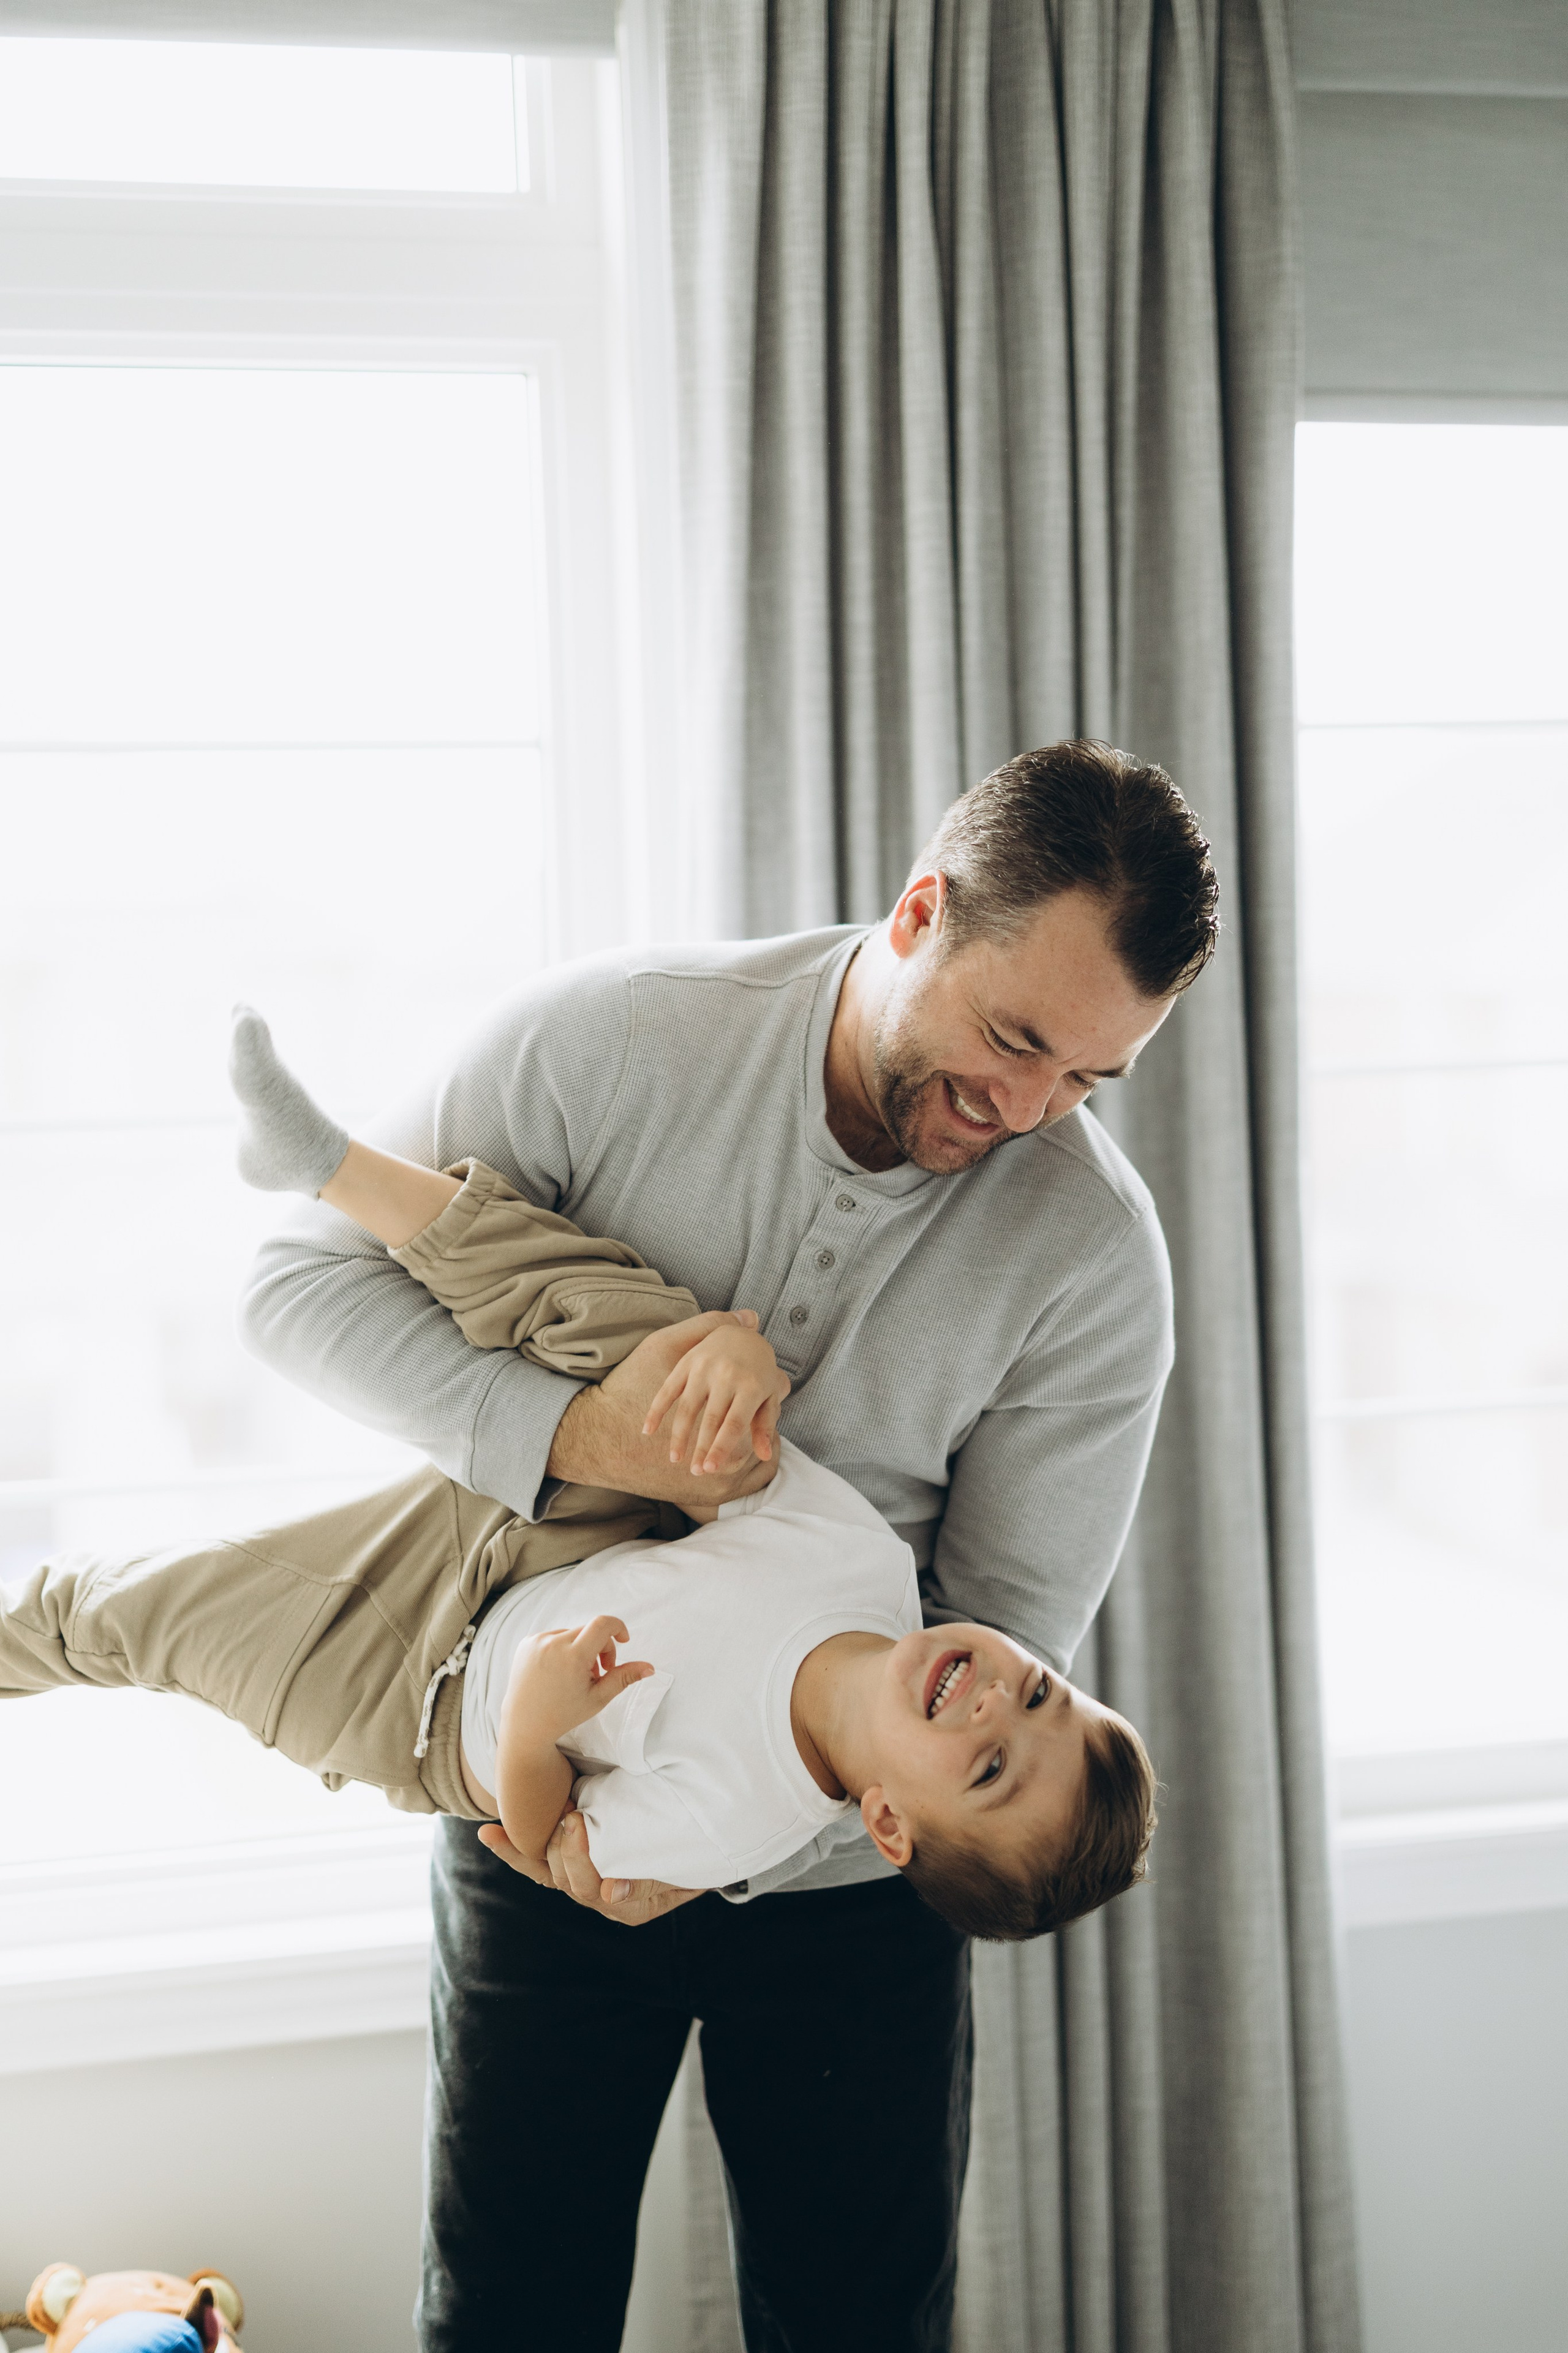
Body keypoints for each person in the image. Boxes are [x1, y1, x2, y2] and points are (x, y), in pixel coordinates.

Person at [242, 740, 1219, 2352]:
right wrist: (568, 1439)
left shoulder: (1094, 1258)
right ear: (920, 912)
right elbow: (298, 1286)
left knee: (858, 2325)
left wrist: (737, 1825)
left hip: (856, 1883)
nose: (1028, 1114)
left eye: (1090, 1082)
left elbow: (998, 1629)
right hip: (546, 1803)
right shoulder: (617, 1036)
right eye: (1013, 1039)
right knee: (507, 2310)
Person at [0, 1068, 1155, 1938]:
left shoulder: (740, 1818)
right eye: (1042, 1692)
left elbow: (544, 1835)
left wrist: (538, 1721)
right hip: (530, 1542)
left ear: (891, 1826)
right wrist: (727, 1363)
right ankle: (335, 1164)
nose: (992, 1704)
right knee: (670, 1365)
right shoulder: (866, 1572)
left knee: (132, 1618)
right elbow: (725, 1462)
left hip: (416, 1695)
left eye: (991, 1765)